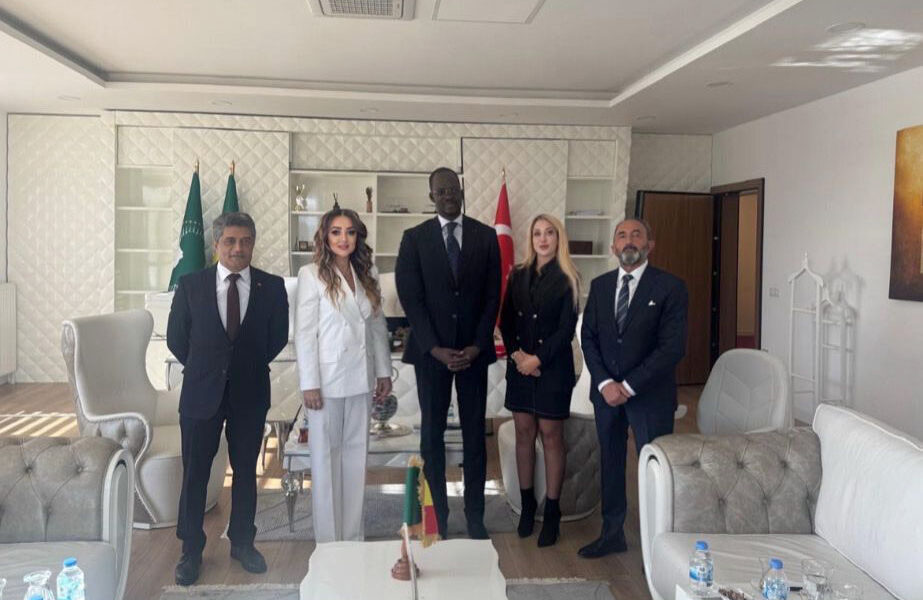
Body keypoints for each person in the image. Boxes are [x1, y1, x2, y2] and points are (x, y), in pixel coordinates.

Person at [167, 212, 289, 585]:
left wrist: (242, 366)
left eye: (245, 241)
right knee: (196, 473)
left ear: (253, 243)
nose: (238, 248)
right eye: (231, 241)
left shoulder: (272, 286)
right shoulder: (191, 285)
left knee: (246, 472)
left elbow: (276, 338)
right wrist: (207, 367)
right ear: (217, 244)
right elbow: (177, 339)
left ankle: (242, 542)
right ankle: (191, 550)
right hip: (201, 393)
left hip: (249, 393)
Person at [394, 166, 501, 540]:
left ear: (461, 191)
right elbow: (411, 299)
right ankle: (436, 516)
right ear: (432, 197)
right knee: (431, 438)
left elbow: (493, 296)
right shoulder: (414, 239)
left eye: (453, 189)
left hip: (474, 354)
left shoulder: (486, 237)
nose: (448, 195)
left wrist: (477, 345)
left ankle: (475, 517)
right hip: (432, 355)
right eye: (441, 191)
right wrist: (435, 348)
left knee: (475, 438)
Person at [578, 218, 688, 559]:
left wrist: (627, 385)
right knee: (611, 464)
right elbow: (588, 337)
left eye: (636, 235)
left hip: (650, 396)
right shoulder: (599, 286)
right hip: (606, 395)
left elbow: (671, 348)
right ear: (613, 247)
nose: (629, 241)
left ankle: (658, 547)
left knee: (654, 468)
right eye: (622, 235)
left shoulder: (670, 287)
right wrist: (605, 383)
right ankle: (612, 534)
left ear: (649, 245)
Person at [294, 207, 392, 543]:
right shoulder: (311, 275)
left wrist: (383, 372)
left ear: (357, 237)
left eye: (350, 232)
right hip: (326, 381)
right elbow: (305, 333)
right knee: (325, 460)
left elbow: (376, 326)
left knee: (355, 458)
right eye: (336, 231)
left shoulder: (367, 273)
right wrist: (309, 383)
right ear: (325, 236)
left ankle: (352, 537)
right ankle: (328, 541)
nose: (343, 238)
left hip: (361, 378)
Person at [499, 214, 580, 547]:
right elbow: (506, 321)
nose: (543, 239)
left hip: (552, 368)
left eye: (549, 233)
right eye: (537, 233)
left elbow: (566, 329)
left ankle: (553, 511)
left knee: (551, 434)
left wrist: (538, 360)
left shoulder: (569, 277)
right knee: (523, 432)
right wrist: (519, 356)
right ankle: (528, 504)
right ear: (530, 239)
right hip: (520, 367)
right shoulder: (517, 274)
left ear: (558, 238)